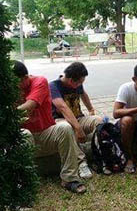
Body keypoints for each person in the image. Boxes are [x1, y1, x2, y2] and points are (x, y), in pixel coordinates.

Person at [14, 61, 86, 194]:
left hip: (45, 134)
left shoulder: (40, 81)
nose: (14, 87)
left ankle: (69, 179)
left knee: (64, 127)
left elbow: (30, 105)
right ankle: (24, 183)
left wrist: (9, 112)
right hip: (24, 139)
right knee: (24, 134)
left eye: (16, 83)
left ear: (25, 78)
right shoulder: (8, 90)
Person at [49, 62, 102, 179]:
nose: (80, 85)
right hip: (61, 121)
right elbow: (62, 107)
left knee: (99, 121)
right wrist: (78, 128)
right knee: (69, 128)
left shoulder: (77, 84)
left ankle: (100, 154)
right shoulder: (53, 86)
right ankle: (81, 163)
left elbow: (83, 94)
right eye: (80, 82)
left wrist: (91, 109)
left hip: (79, 117)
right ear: (72, 80)